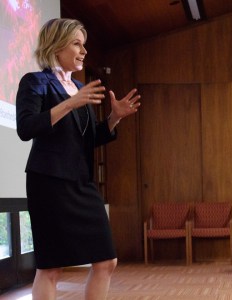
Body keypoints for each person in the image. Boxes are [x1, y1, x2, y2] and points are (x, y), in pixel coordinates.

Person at [16, 19, 140, 300]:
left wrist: (114, 117)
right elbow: (26, 128)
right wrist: (71, 102)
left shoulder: (77, 87)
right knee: (51, 268)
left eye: (84, 44)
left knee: (107, 261)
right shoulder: (36, 82)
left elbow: (88, 137)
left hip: (81, 184)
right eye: (76, 43)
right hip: (48, 182)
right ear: (56, 45)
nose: (83, 50)